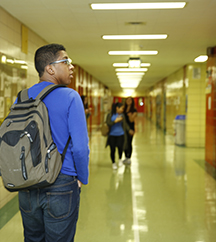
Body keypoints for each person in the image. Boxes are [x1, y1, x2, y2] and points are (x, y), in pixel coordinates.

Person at [18, 44, 89, 242]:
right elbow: (81, 147)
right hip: (61, 182)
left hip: (27, 183)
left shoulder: (22, 98)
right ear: (50, 68)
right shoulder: (70, 97)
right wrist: (82, 177)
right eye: (66, 61)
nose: (71, 66)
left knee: (32, 238)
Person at [105, 102, 134, 170]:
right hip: (112, 135)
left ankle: (120, 159)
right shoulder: (110, 115)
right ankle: (113, 163)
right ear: (117, 108)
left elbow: (125, 124)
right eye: (122, 108)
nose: (122, 110)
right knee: (112, 149)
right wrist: (115, 121)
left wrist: (129, 130)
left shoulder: (122, 115)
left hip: (121, 134)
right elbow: (108, 123)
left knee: (120, 147)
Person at [123, 97, 137, 165]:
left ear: (132, 101)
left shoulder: (134, 110)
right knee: (125, 142)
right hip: (124, 128)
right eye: (127, 100)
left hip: (131, 128)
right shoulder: (123, 109)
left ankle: (129, 157)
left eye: (130, 100)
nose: (128, 101)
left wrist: (130, 116)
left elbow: (132, 120)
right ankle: (125, 157)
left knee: (129, 142)